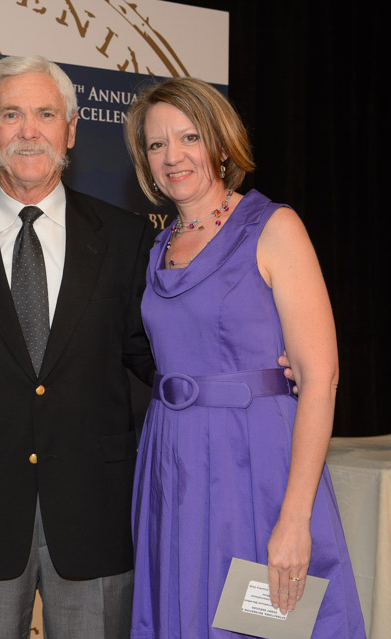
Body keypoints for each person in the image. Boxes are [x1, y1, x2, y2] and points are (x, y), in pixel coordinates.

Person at [0, 55, 154, 638]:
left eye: (46, 114)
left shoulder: (127, 239)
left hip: (96, 516)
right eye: (11, 114)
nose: (28, 130)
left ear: (71, 129)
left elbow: (155, 359)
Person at [123, 76, 365, 638]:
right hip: (172, 468)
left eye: (188, 137)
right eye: (156, 144)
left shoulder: (274, 227)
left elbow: (320, 378)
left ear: (221, 143)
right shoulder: (159, 246)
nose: (172, 156)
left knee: (263, 621)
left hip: (254, 467)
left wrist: (295, 518)